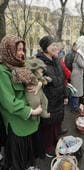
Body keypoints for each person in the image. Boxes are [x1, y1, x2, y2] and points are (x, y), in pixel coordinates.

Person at [0, 35, 42, 170]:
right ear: (8, 49)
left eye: (22, 49)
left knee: (27, 158)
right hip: (17, 122)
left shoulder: (21, 65)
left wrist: (39, 84)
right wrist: (31, 111)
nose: (21, 53)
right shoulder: (2, 71)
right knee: (18, 160)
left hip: (28, 122)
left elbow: (35, 79)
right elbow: (9, 102)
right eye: (18, 49)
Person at [36, 35, 67, 158]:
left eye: (56, 44)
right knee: (48, 125)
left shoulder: (56, 60)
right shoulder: (40, 63)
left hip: (58, 98)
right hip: (48, 101)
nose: (56, 47)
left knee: (56, 123)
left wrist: (65, 95)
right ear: (45, 48)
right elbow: (37, 81)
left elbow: (62, 79)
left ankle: (55, 142)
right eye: (52, 45)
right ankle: (47, 148)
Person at [70, 36, 84, 114]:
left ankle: (75, 107)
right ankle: (74, 108)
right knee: (75, 93)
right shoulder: (79, 54)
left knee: (76, 92)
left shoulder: (79, 53)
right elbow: (82, 65)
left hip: (77, 75)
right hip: (76, 75)